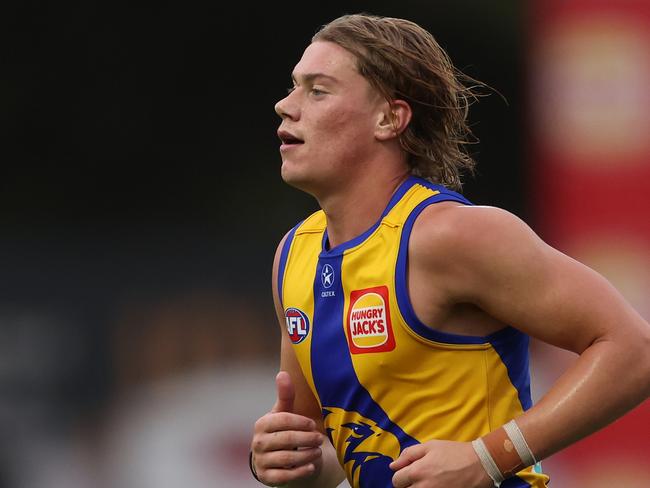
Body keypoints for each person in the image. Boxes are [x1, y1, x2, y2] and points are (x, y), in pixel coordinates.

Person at [249, 13, 650, 488]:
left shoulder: (452, 235)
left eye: (317, 90)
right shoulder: (294, 255)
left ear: (389, 118)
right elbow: (335, 446)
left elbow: (633, 351)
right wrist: (289, 462)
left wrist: (488, 456)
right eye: (294, 86)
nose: (284, 105)